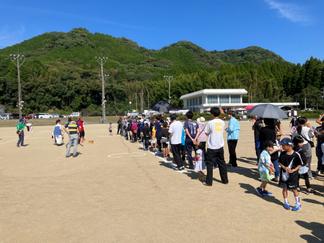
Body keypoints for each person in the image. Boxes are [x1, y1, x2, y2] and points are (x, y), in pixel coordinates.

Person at [204, 107, 228, 186]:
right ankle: (225, 180)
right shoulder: (222, 122)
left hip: (212, 146)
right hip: (220, 145)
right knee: (222, 163)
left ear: (212, 114)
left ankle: (209, 182)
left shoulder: (210, 123)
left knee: (209, 164)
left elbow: (206, 133)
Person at [279, 138, 302, 211]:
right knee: (284, 188)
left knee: (294, 189)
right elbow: (280, 162)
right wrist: (284, 167)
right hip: (284, 175)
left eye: (283, 145)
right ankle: (286, 202)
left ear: (289, 145)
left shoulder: (296, 154)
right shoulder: (282, 153)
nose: (282, 147)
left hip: (293, 176)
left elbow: (299, 164)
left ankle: (298, 203)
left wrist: (293, 170)